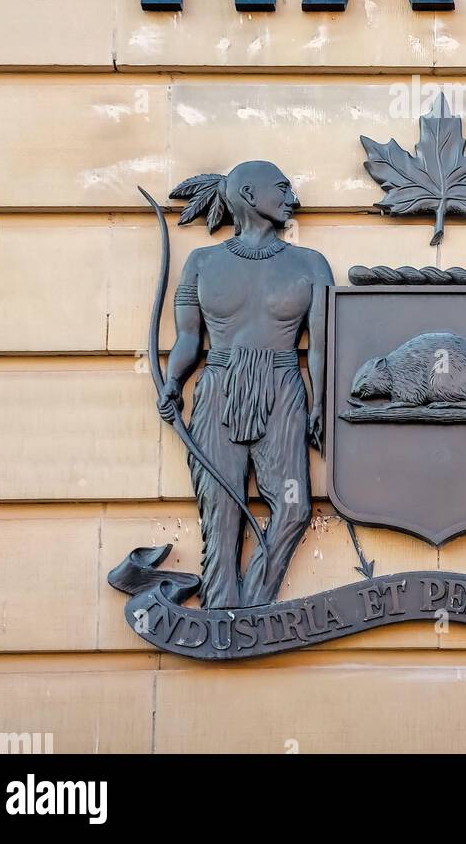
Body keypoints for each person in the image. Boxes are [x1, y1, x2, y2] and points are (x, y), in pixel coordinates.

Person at [157, 160, 332, 609]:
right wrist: (174, 381)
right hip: (219, 384)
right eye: (283, 187)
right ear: (251, 196)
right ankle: (219, 609)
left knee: (293, 507)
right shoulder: (203, 262)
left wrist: (321, 403)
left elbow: (323, 347)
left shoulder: (311, 265)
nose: (293, 197)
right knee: (221, 508)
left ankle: (252, 607)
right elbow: (188, 338)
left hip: (282, 385)